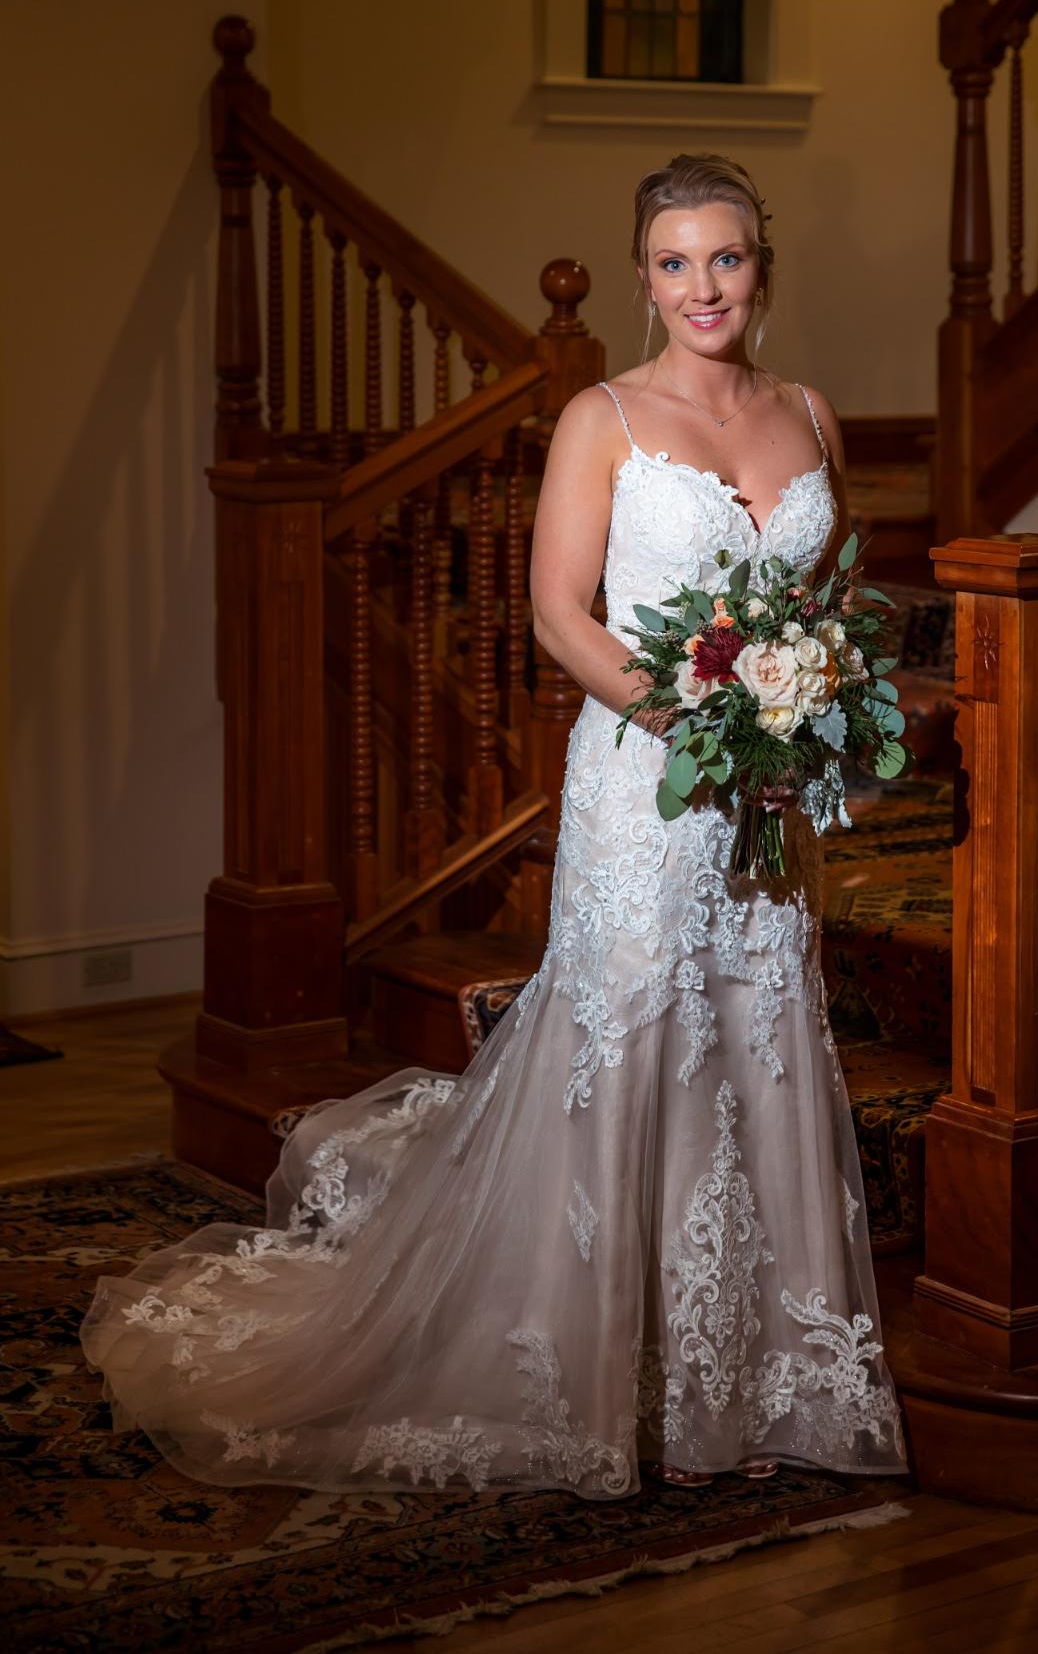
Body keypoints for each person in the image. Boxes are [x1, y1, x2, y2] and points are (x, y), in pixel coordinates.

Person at [80, 153, 906, 1499]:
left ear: (764, 267)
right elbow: (558, 617)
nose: (703, 285)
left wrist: (803, 717)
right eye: (675, 261)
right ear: (642, 280)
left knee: (757, 1039)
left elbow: (818, 607)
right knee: (634, 1035)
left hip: (767, 810)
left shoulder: (806, 410)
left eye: (728, 258)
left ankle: (758, 1384)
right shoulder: (601, 416)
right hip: (649, 787)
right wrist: (712, 730)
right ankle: (584, 1378)